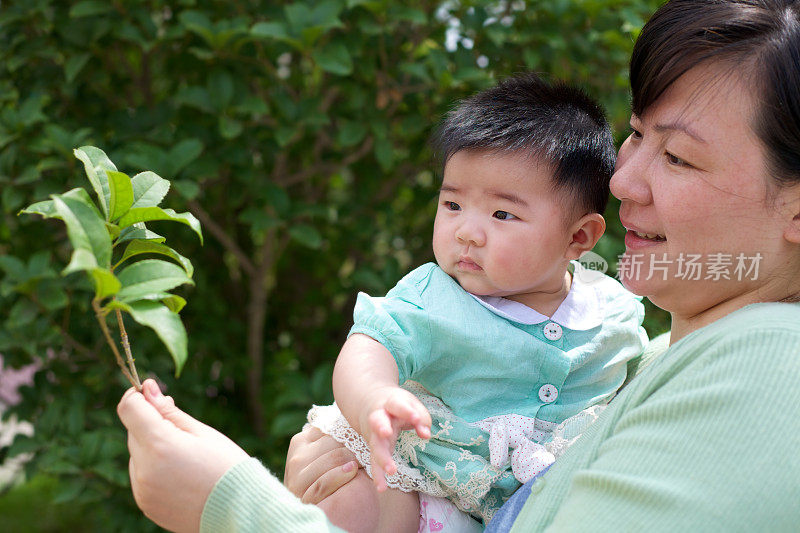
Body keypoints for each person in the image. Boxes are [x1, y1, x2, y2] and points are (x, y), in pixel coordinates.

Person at [117, 0, 800, 531]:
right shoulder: (645, 357)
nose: (623, 180)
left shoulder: (770, 368)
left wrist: (230, 501)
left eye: (677, 156)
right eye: (637, 134)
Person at [303, 74, 646, 532]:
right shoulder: (433, 296)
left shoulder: (613, 314)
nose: (466, 231)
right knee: (358, 498)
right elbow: (370, 345)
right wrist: (373, 398)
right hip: (425, 473)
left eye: (502, 214)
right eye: (452, 205)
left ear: (578, 236)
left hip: (531, 507)